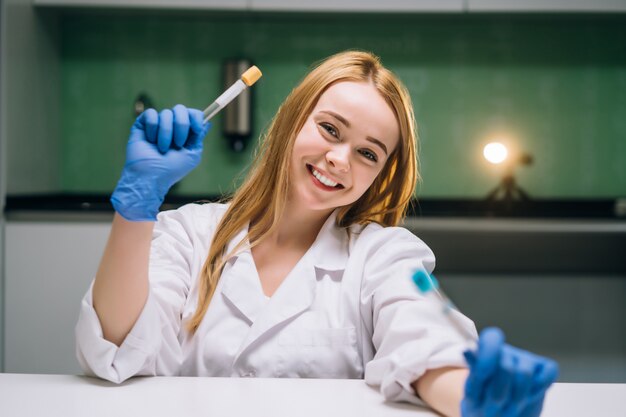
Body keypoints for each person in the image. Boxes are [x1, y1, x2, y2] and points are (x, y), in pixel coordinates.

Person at [76, 50, 558, 417]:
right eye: (330, 129)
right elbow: (116, 347)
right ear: (291, 122)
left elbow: (425, 344)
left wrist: (473, 397)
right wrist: (136, 208)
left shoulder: (386, 255)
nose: (340, 159)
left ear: (381, 175)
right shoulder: (190, 234)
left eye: (368, 153)